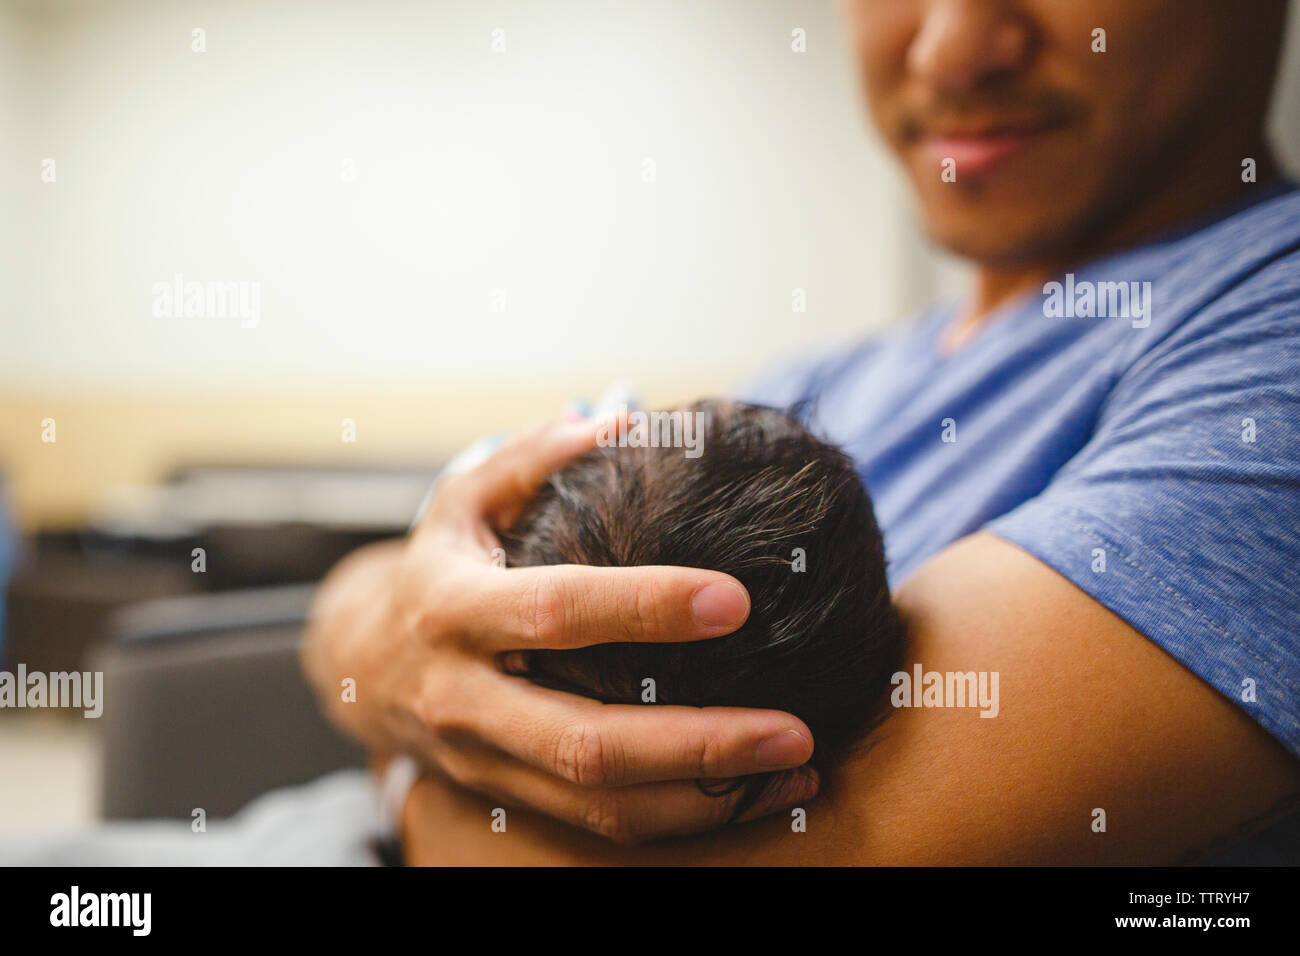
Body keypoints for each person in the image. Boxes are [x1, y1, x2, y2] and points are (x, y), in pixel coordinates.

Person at [304, 0, 1300, 864]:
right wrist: (394, 645)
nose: (951, 50)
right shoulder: (818, 382)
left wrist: (408, 771)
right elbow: (359, 605)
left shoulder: (1269, 337)